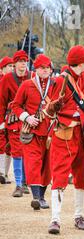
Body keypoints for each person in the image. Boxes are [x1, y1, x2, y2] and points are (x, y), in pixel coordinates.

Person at [44, 45, 84, 235]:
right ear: (80, 62)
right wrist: (54, 106)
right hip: (64, 133)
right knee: (59, 175)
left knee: (81, 176)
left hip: (83, 134)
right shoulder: (60, 80)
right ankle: (55, 219)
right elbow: (48, 110)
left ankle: (79, 215)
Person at [10, 54, 55, 210]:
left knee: (47, 165)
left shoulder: (55, 84)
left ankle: (42, 196)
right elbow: (15, 106)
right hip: (31, 132)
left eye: (47, 68)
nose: (45, 71)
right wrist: (27, 117)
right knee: (32, 163)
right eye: (42, 68)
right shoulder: (27, 85)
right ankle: (36, 197)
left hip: (50, 133)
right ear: (36, 69)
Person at [0, 50, 32, 197]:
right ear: (15, 64)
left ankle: (26, 182)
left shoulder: (32, 77)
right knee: (17, 152)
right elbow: (1, 103)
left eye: (25, 61)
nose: (23, 64)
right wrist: (1, 121)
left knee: (28, 152)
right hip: (13, 121)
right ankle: (19, 184)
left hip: (30, 121)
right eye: (20, 61)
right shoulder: (7, 79)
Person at [0, 56, 14, 185]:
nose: (12, 68)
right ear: (2, 69)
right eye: (9, 66)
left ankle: (4, 173)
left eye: (12, 66)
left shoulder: (14, 80)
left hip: (10, 117)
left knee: (9, 146)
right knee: (1, 144)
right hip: (1, 116)